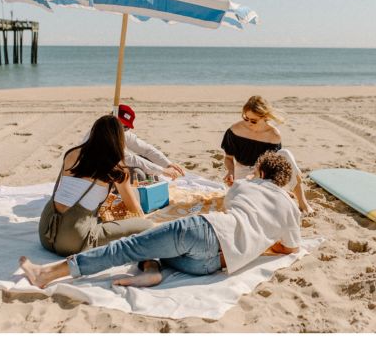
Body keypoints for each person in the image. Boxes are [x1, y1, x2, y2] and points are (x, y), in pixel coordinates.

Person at [20, 151, 302, 289]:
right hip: (209, 265)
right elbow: (289, 248)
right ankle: (152, 270)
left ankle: (48, 274)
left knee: (130, 245)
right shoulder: (290, 208)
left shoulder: (246, 186)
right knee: (150, 245)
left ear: (262, 173)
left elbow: (233, 201)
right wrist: (264, 242)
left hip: (207, 232)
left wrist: (247, 179)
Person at [38, 115, 154, 258]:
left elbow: (76, 187)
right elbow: (133, 207)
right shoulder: (115, 168)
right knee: (147, 226)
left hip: (46, 232)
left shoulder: (71, 154)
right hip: (72, 240)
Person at [221, 95, 313, 214]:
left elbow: (273, 166)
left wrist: (257, 174)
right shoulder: (235, 130)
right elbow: (228, 158)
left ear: (264, 117)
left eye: (253, 120)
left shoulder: (273, 135)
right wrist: (230, 171)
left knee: (285, 154)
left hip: (262, 172)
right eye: (245, 118)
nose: (248, 123)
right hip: (242, 172)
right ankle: (279, 192)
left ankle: (302, 202)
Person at [88, 104, 185, 181]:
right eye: (120, 125)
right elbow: (130, 158)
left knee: (147, 159)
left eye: (126, 127)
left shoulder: (123, 133)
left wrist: (167, 164)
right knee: (138, 174)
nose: (122, 130)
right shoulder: (103, 132)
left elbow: (146, 149)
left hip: (115, 166)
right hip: (97, 172)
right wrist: (162, 171)